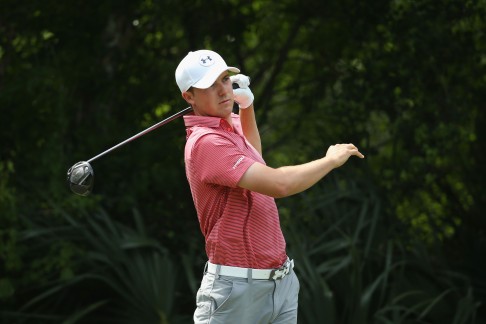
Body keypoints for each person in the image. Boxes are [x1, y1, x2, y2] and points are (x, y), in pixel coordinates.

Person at [175, 49, 364, 324]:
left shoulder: (227, 126)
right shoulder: (206, 142)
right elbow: (278, 183)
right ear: (189, 97)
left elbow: (255, 155)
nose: (222, 91)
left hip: (281, 283)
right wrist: (330, 161)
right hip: (236, 293)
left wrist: (247, 108)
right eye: (209, 86)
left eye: (224, 80)